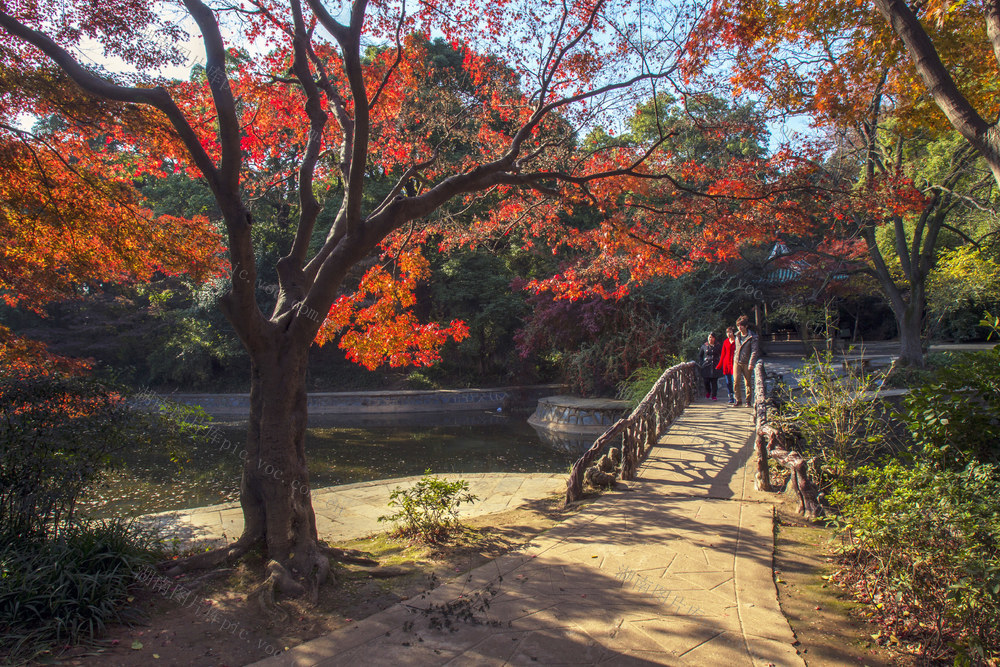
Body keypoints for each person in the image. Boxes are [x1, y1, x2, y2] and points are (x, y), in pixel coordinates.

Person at [731, 314, 760, 408]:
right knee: (736, 381)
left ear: (746, 326)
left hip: (747, 362)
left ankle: (748, 400)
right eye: (738, 325)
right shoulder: (737, 336)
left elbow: (754, 351)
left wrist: (751, 363)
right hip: (737, 361)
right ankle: (738, 400)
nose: (739, 327)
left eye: (741, 326)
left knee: (747, 382)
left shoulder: (752, 337)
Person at [697, 332, 723, 401]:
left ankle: (714, 395)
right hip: (706, 365)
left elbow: (722, 355)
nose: (710, 339)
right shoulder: (704, 346)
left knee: (714, 381)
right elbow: (700, 355)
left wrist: (720, 363)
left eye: (711, 337)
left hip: (715, 365)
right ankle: (708, 391)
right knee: (706, 381)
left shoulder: (718, 346)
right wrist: (701, 362)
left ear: (714, 338)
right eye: (709, 337)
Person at [716, 326, 737, 404]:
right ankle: (730, 396)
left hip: (734, 363)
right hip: (726, 364)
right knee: (728, 382)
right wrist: (719, 365)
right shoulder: (725, 342)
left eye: (730, 332)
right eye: (727, 332)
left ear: (733, 333)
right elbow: (723, 354)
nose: (729, 334)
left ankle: (736, 396)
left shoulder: (737, 341)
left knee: (734, 381)